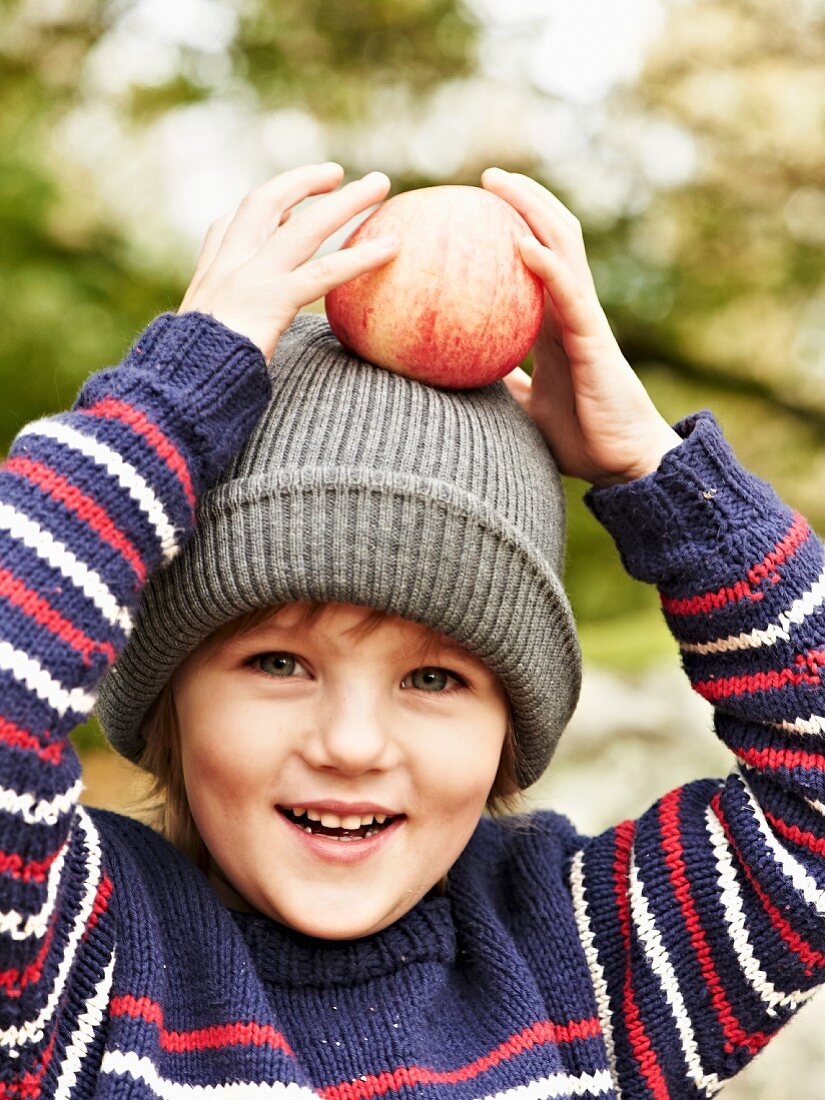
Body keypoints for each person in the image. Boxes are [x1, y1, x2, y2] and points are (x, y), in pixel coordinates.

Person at [0, 160, 822, 1100]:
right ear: (170, 695)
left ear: (510, 724)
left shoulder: (590, 970)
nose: (351, 746)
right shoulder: (68, 966)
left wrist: (659, 478)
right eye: (277, 662)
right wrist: (165, 408)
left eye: (434, 680)